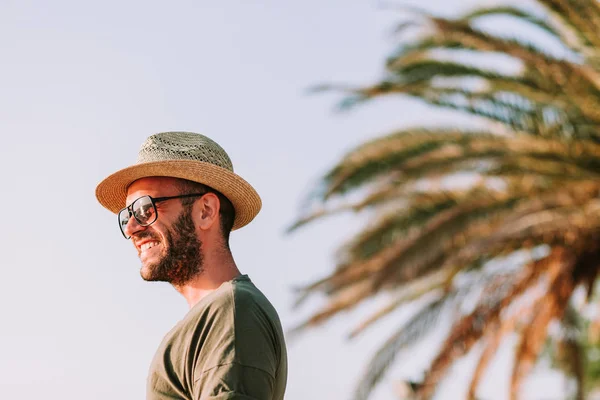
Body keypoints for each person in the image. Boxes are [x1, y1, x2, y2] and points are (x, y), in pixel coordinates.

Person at [96, 131, 288, 400]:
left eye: (144, 209)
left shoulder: (231, 311)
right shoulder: (216, 316)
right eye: (127, 215)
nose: (131, 227)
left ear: (206, 211)